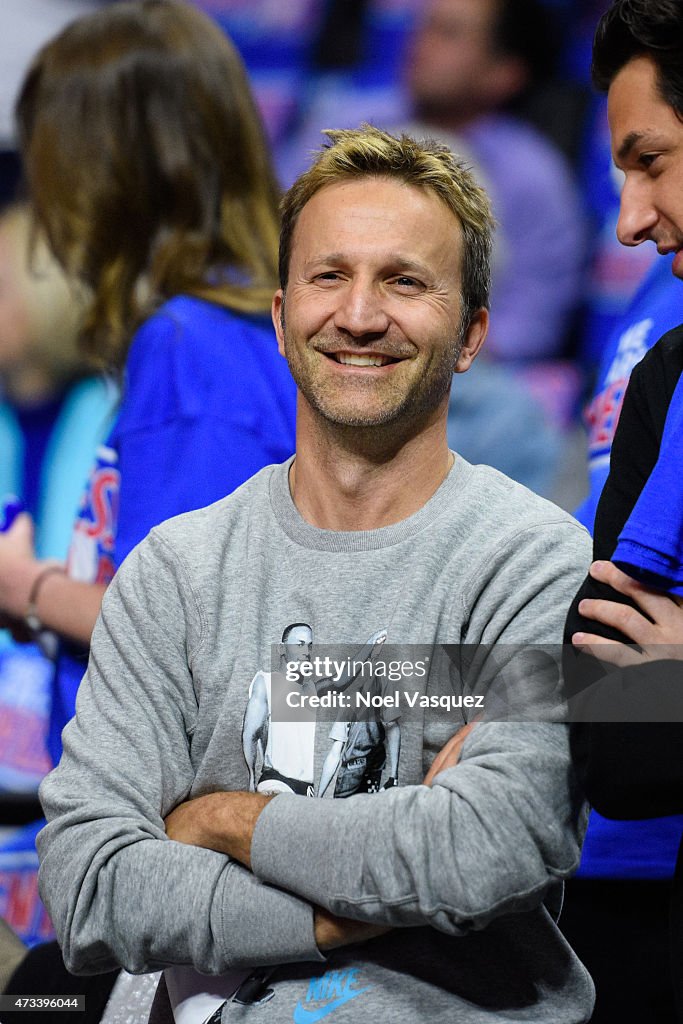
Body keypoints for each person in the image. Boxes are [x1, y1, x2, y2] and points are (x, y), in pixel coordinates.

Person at [38, 126, 594, 1023]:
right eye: (328, 275)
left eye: (404, 281)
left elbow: (486, 850)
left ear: (471, 334)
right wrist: (341, 916)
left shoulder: (535, 565)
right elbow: (89, 886)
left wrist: (222, 820)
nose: (360, 315)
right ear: (280, 313)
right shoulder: (176, 571)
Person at [0, 0, 296, 771]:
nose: (43, 204)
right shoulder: (232, 327)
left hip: (174, 823)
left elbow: (185, 642)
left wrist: (24, 587)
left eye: (50, 166)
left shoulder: (192, 346)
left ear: (107, 175)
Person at [563, 1, 683, 1018]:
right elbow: (620, 708)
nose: (629, 219)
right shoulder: (666, 371)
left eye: (651, 161)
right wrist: (341, 685)